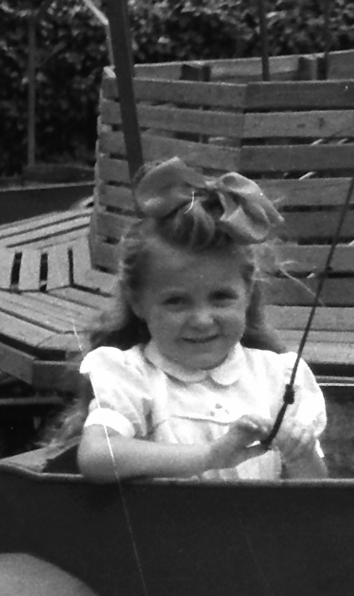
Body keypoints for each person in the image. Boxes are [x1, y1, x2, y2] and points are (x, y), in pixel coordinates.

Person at [71, 157, 327, 482]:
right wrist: (209, 457)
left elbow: (319, 494)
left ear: (247, 292)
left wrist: (301, 454)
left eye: (221, 297)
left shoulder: (278, 377)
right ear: (138, 302)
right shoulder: (132, 375)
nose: (202, 320)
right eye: (176, 301)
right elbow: (96, 456)